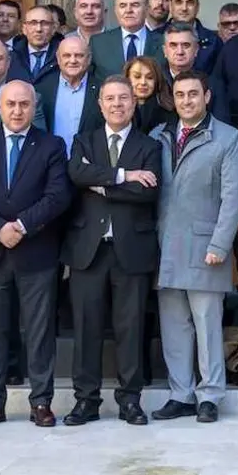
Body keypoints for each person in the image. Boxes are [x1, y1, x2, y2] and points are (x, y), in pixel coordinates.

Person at [0, 80, 73, 428]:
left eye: (24, 104)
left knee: (38, 332)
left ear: (34, 107)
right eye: (11, 104)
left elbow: (58, 195)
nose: (18, 111)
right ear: (1, 107)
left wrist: (20, 226)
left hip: (36, 252)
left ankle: (41, 402)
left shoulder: (51, 144)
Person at [149, 70, 238, 424]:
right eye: (180, 95)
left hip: (206, 246)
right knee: (174, 326)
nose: (186, 101)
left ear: (207, 96)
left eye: (194, 94)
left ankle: (210, 395)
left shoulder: (228, 138)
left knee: (207, 324)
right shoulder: (158, 136)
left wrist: (221, 244)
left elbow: (234, 198)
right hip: (165, 246)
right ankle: (181, 394)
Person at [63, 75, 162, 426]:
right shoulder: (83, 141)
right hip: (88, 250)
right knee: (86, 328)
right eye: (110, 98)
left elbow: (148, 192)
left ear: (134, 104)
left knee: (131, 328)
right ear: (100, 104)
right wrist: (124, 177)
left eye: (124, 98)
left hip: (131, 250)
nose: (117, 104)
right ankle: (85, 401)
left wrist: (101, 184)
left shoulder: (149, 146)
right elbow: (76, 174)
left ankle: (130, 400)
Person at [89, 0, 165, 78]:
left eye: (135, 5)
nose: (128, 10)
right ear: (116, 11)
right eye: (122, 6)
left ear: (146, 9)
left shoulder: (163, 42)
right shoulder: (98, 43)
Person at [125, 55, 174, 134]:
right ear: (127, 79)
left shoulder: (168, 113)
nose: (143, 82)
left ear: (157, 80)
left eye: (150, 77)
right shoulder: (118, 110)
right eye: (137, 77)